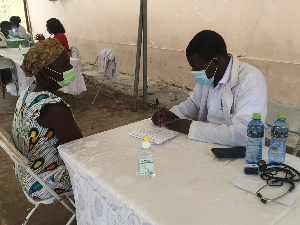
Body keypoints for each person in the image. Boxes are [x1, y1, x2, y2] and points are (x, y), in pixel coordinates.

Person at [152, 30, 267, 147]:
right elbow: (194, 103)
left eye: (197, 68)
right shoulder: (210, 76)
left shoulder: (249, 78)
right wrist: (173, 113)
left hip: (237, 151)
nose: (194, 72)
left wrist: (192, 128)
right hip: (206, 143)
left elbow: (244, 134)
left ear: (215, 62)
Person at [12, 38, 82, 200]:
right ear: (45, 71)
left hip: (26, 173)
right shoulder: (54, 108)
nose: (70, 68)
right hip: (44, 182)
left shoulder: (28, 93)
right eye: (64, 65)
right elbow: (79, 150)